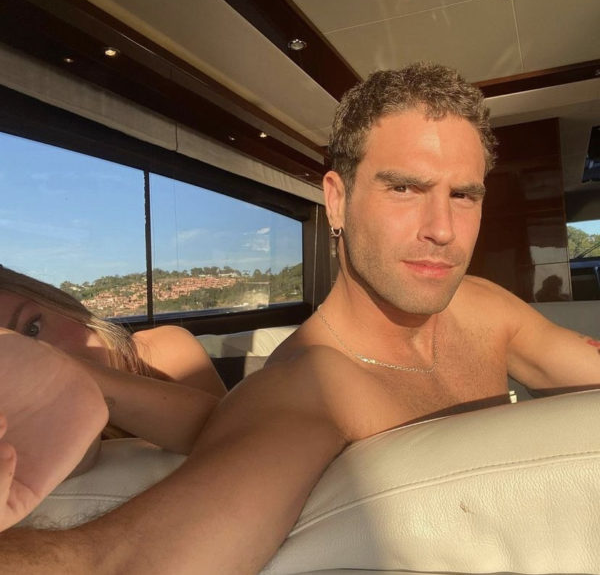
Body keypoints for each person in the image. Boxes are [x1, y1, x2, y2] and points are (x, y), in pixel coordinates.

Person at [1, 62, 599, 573]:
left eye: (463, 195)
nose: (442, 229)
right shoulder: (306, 390)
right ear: (336, 200)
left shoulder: (484, 305)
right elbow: (124, 561)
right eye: (404, 189)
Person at [0, 265, 226, 456]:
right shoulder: (22, 425)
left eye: (32, 329)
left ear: (60, 303)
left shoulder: (161, 349)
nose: (34, 360)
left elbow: (229, 439)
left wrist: (68, 373)